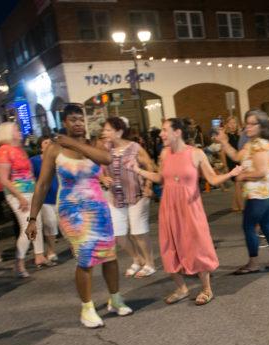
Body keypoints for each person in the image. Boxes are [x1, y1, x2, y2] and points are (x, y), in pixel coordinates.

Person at [27, 104, 132, 328]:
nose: (77, 123)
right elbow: (43, 184)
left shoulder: (93, 144)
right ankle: (87, 308)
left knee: (109, 255)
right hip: (72, 211)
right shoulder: (54, 149)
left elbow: (106, 159)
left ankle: (115, 298)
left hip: (98, 208)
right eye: (72, 119)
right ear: (64, 122)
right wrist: (33, 218)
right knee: (85, 257)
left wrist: (74, 143)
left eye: (80, 119)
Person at [134, 118, 240, 305]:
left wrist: (231, 174)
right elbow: (161, 177)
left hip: (191, 209)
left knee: (197, 246)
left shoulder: (196, 153)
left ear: (177, 132)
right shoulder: (165, 153)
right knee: (169, 247)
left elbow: (213, 180)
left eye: (165, 130)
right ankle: (181, 288)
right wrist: (138, 170)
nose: (161, 134)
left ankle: (207, 288)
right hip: (168, 208)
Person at [217, 110, 269, 274]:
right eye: (246, 123)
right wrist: (224, 142)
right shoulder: (251, 144)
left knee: (249, 226)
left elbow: (261, 172)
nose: (247, 127)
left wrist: (242, 176)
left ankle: (253, 263)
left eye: (251, 124)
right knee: (267, 226)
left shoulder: (260, 145)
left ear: (261, 126)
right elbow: (236, 156)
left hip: (260, 195)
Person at [99, 117, 156, 278]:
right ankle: (137, 259)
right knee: (118, 234)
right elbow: (99, 169)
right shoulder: (105, 148)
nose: (105, 132)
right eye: (105, 129)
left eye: (108, 130)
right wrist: (103, 178)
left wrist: (148, 186)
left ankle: (149, 263)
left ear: (119, 132)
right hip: (115, 197)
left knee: (138, 232)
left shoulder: (134, 147)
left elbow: (149, 165)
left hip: (137, 194)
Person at [0, 122, 47, 276]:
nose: (19, 131)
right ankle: (19, 262)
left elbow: (29, 174)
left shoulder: (19, 149)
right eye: (16, 129)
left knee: (36, 222)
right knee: (27, 227)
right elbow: (4, 179)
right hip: (17, 194)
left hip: (30, 191)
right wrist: (19, 197)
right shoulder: (4, 151)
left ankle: (39, 255)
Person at [30, 136, 60, 263]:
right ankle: (51, 250)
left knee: (63, 224)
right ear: (40, 146)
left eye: (51, 142)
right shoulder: (34, 160)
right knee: (51, 223)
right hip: (45, 198)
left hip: (59, 195)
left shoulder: (58, 159)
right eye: (45, 142)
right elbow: (31, 178)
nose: (49, 144)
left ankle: (73, 248)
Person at [220, 116, 244, 212]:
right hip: (231, 163)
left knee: (239, 185)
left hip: (239, 162)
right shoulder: (226, 137)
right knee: (238, 184)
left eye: (234, 123)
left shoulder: (239, 136)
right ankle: (242, 207)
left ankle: (234, 206)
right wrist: (225, 166)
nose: (233, 125)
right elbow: (222, 153)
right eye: (231, 123)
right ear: (227, 125)